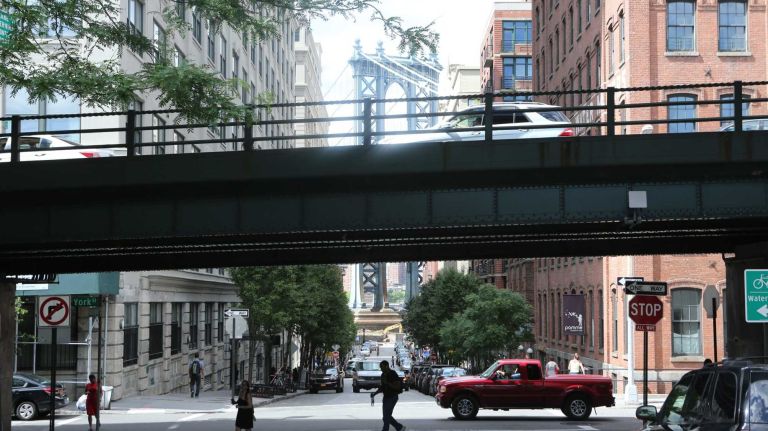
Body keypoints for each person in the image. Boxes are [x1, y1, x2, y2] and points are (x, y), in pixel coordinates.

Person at [371, 360, 406, 431]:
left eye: (382, 367)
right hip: (386, 397)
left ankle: (386, 429)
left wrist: (387, 383)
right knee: (385, 417)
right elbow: (382, 387)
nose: (381, 369)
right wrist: (375, 393)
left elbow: (397, 386)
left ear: (387, 366)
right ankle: (399, 427)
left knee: (386, 416)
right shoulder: (383, 375)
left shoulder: (393, 374)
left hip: (393, 397)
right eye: (380, 367)